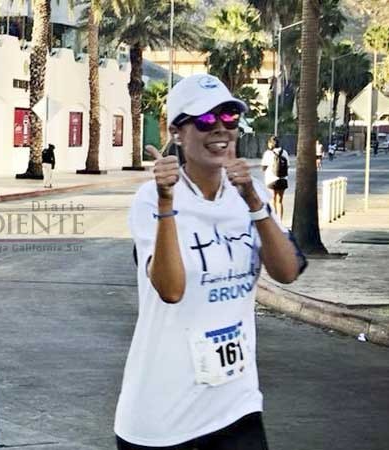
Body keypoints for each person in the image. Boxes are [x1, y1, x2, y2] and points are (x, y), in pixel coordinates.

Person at [115, 74, 306, 450]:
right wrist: (167, 201)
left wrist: (253, 200)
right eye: (204, 120)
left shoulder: (245, 198)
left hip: (237, 407)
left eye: (229, 118)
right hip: (163, 421)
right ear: (177, 132)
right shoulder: (151, 200)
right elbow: (171, 289)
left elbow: (287, 271)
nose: (219, 128)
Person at [261, 136, 289, 221]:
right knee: (280, 201)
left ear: (270, 144)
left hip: (271, 180)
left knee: (272, 200)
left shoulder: (268, 153)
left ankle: (275, 221)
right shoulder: (284, 152)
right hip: (283, 179)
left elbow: (263, 168)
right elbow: (287, 165)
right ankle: (280, 221)